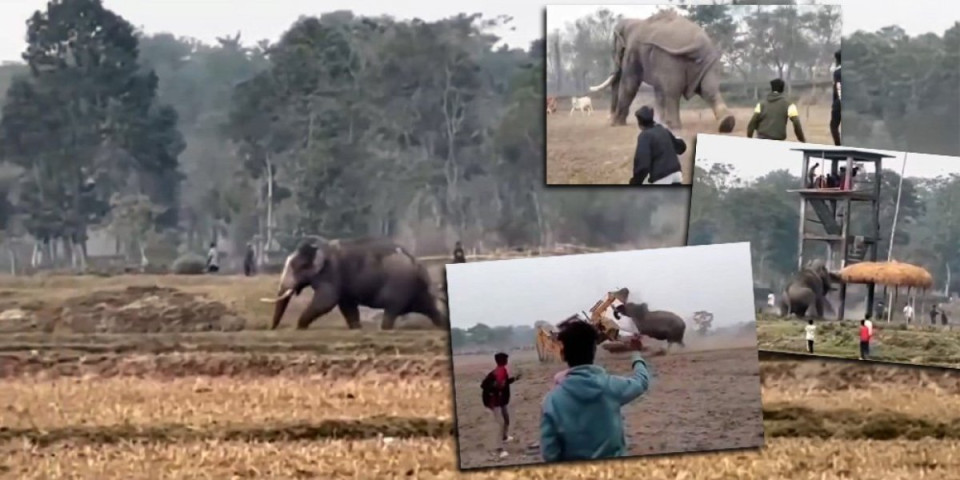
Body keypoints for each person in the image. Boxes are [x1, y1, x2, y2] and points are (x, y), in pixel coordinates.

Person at [540, 319, 651, 462]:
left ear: (563, 354)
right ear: (594, 349)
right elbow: (641, 381)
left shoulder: (551, 402)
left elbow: (550, 454)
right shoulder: (611, 386)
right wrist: (636, 354)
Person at [629, 106, 686, 185]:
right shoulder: (663, 130)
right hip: (676, 174)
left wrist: (635, 182)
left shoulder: (644, 136)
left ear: (639, 123)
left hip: (661, 178)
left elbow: (642, 165)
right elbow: (681, 148)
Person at [480, 352, 520, 459]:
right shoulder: (496, 373)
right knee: (500, 424)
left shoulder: (502, 371)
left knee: (506, 420)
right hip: (495, 402)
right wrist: (494, 388)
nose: (507, 361)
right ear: (503, 361)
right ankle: (499, 449)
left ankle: (504, 437)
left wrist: (514, 379)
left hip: (501, 401)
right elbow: (484, 386)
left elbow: (504, 383)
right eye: (506, 359)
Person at [747, 78, 806, 142]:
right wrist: (802, 140)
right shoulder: (789, 104)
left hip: (761, 139)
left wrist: (749, 138)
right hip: (777, 141)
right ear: (782, 89)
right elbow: (796, 122)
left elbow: (752, 122)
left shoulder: (761, 104)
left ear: (771, 88)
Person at [831, 50, 841, 146]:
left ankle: (838, 146)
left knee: (833, 126)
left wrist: (835, 102)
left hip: (840, 101)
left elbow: (837, 88)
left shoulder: (837, 72)